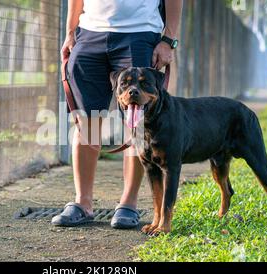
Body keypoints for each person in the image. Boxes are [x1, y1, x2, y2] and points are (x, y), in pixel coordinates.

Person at [52, 0, 183, 229]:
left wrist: (168, 39)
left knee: (137, 123)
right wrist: (71, 32)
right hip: (89, 33)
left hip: (139, 33)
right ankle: (82, 203)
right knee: (87, 121)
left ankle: (128, 204)